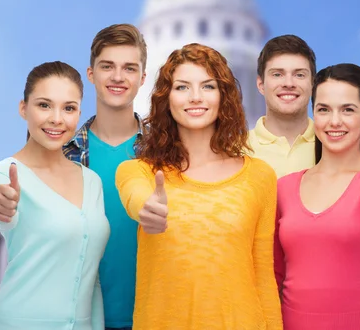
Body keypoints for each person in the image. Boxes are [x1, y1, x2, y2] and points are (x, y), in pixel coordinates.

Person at [116, 43, 283, 330]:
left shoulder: (260, 177)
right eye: (182, 87)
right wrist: (147, 208)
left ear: (224, 96)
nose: (195, 97)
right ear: (166, 99)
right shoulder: (138, 172)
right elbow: (136, 196)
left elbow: (263, 278)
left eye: (208, 86)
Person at [274, 63, 360, 330]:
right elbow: (275, 273)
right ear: (314, 114)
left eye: (348, 109)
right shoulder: (284, 188)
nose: (335, 121)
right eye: (324, 109)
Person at [0, 61, 110, 330]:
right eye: (44, 105)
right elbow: (0, 215)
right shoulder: (2, 174)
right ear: (23, 108)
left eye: (69, 108)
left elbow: (91, 276)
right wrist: (2, 209)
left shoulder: (92, 181)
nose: (56, 118)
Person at [64, 23, 147, 330]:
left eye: (129, 68)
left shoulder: (167, 153)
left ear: (142, 78)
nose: (117, 77)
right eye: (107, 66)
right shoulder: (61, 151)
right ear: (91, 74)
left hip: (152, 318)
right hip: (78, 319)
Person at [248, 35, 317, 178]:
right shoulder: (234, 151)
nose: (288, 83)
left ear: (313, 84)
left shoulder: (333, 147)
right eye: (277, 74)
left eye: (299, 75)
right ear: (261, 85)